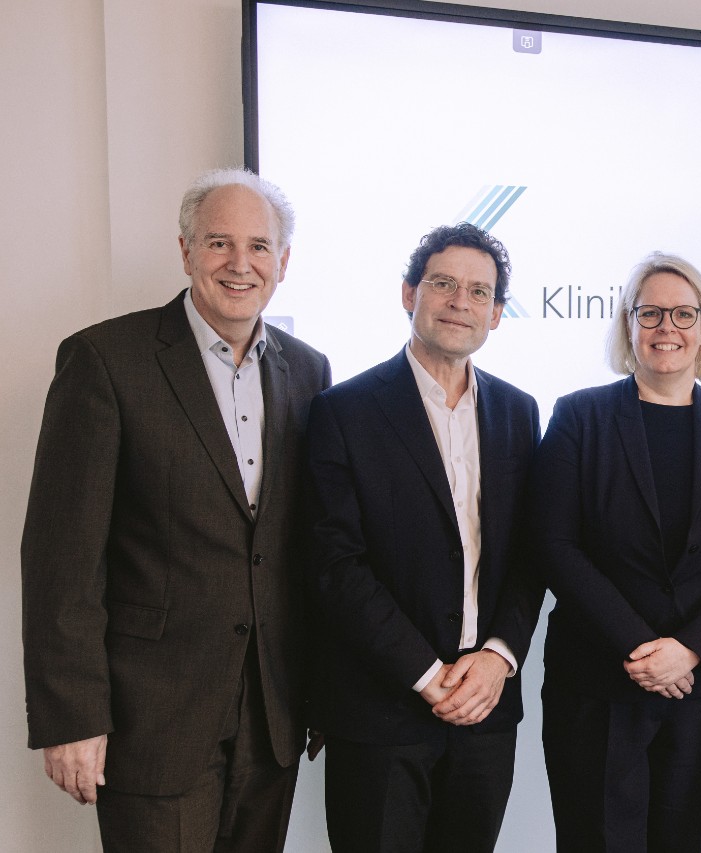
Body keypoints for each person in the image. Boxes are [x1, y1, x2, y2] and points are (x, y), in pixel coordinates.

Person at [20, 168, 331, 851]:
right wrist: (72, 715)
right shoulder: (106, 360)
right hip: (151, 713)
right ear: (186, 251)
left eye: (258, 246)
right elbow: (61, 557)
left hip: (272, 709)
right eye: (219, 243)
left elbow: (301, 544)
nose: (239, 263)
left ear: (283, 261)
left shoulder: (309, 371)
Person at [532, 252, 701, 853]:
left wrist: (690, 650)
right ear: (627, 325)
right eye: (650, 313)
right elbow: (553, 544)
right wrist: (641, 647)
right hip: (597, 679)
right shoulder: (579, 417)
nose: (666, 327)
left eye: (683, 313)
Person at [306, 223, 542, 853]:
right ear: (409, 294)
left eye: (478, 291)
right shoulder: (344, 411)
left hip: (487, 709)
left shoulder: (519, 413)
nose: (459, 301)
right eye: (443, 283)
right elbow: (336, 566)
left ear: (496, 315)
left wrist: (498, 656)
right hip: (383, 709)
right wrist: (425, 673)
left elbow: (529, 555)